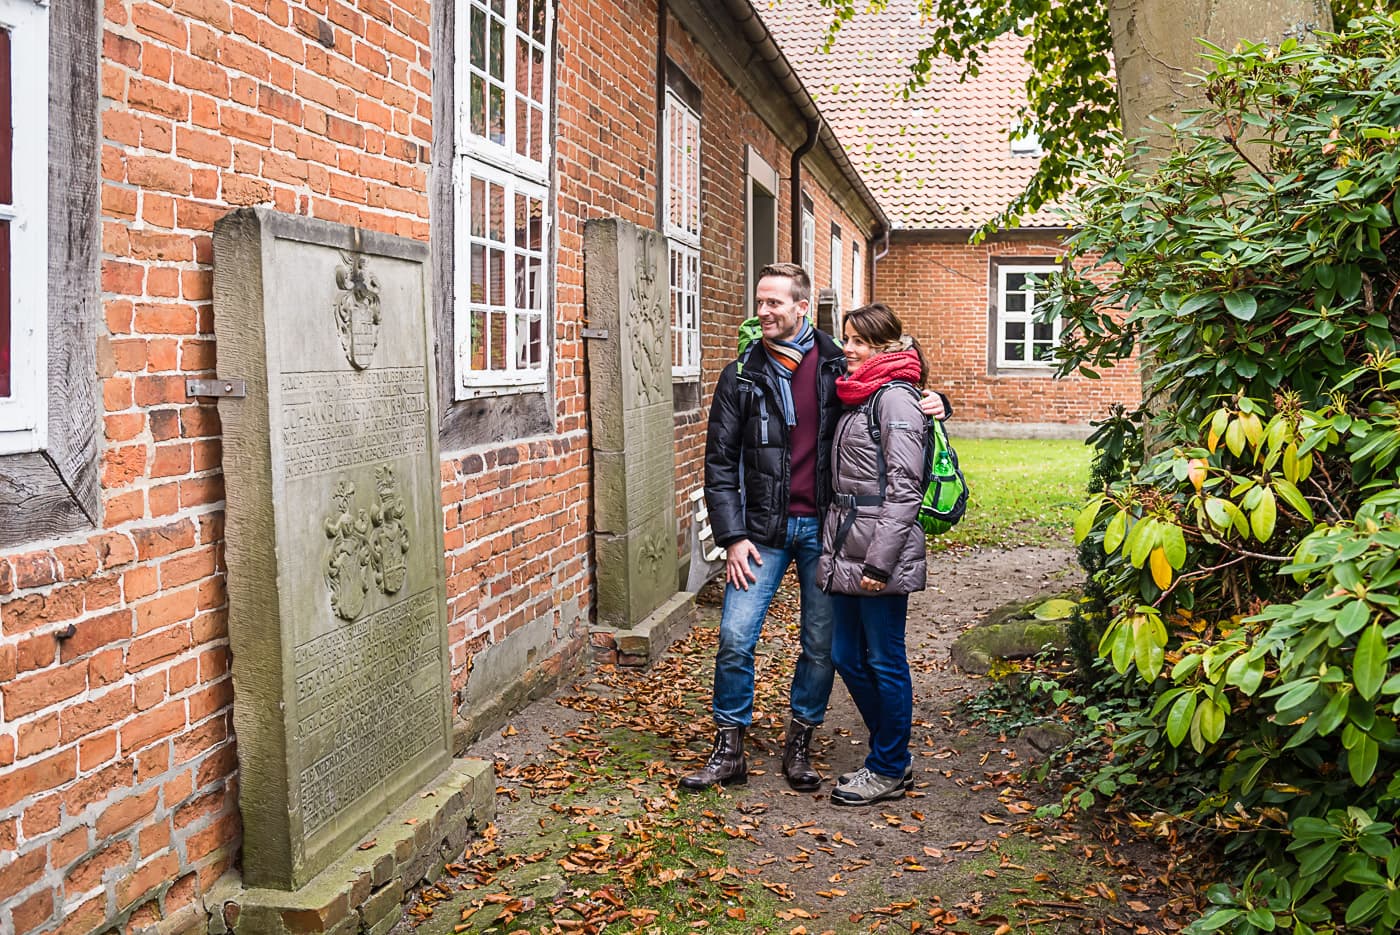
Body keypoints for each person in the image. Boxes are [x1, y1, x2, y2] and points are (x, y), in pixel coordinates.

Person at [682, 265, 943, 793]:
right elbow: (719, 463)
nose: (764, 311)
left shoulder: (835, 366)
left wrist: (938, 403)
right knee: (735, 637)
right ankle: (729, 745)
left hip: (827, 533)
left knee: (822, 646)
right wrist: (732, 536)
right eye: (759, 301)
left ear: (802, 307)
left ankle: (800, 742)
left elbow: (895, 396)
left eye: (775, 302)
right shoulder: (741, 375)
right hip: (761, 534)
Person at [819, 303, 933, 806]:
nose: (848, 348)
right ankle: (893, 751)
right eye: (845, 338)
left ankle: (888, 766)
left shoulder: (895, 399)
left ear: (886, 347)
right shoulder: (857, 393)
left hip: (878, 547)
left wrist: (879, 563)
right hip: (845, 538)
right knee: (845, 654)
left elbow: (906, 488)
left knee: (885, 657)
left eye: (858, 341)